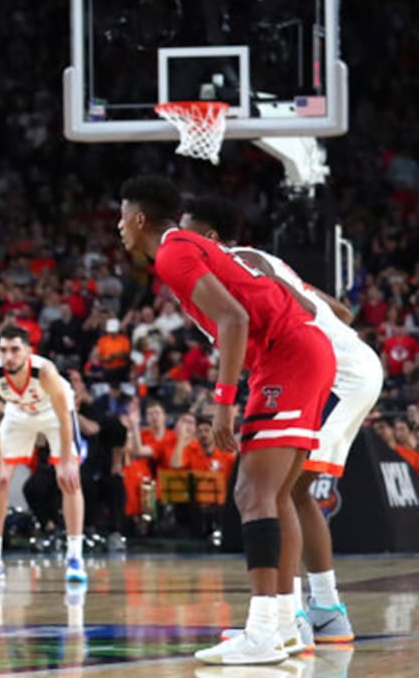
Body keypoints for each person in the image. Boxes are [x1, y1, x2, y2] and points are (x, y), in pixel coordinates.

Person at [117, 175, 336, 666]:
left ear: (138, 218)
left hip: (289, 355)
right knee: (275, 497)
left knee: (252, 494)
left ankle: (262, 631)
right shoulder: (188, 248)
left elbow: (235, 319)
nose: (118, 228)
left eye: (120, 217)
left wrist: (223, 402)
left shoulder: (173, 252)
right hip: (297, 352)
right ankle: (282, 626)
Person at [181, 195, 384, 645]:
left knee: (272, 490)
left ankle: (289, 620)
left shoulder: (233, 263)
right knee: (293, 490)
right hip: (346, 366)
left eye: (184, 230)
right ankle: (324, 613)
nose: (176, 239)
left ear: (209, 239)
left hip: (333, 373)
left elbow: (303, 314)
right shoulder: (256, 261)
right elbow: (343, 313)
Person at [0, 325, 87, 584]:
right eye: (2, 350)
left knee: (68, 479)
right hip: (18, 413)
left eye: (14, 350)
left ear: (28, 351)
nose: (8, 356)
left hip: (55, 414)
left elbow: (65, 418)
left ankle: (75, 558)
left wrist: (66, 461)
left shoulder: (44, 371)